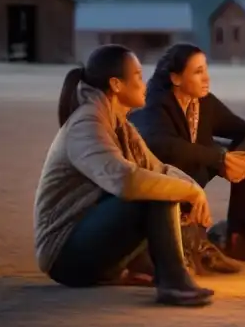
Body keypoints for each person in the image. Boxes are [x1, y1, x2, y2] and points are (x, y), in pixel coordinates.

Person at [34, 44, 215, 307]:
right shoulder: (87, 123)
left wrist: (194, 190)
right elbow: (127, 181)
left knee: (163, 187)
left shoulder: (119, 124)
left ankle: (151, 270)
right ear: (116, 84)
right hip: (64, 255)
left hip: (89, 239)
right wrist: (187, 191)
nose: (145, 84)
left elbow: (158, 168)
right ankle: (174, 283)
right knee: (153, 192)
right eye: (139, 76)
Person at [131, 43, 245, 266]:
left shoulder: (203, 103)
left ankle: (237, 237)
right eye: (198, 72)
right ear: (176, 79)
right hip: (159, 184)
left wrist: (242, 159)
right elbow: (162, 145)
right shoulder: (155, 104)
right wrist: (219, 158)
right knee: (198, 154)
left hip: (193, 169)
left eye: (205, 69)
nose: (206, 79)